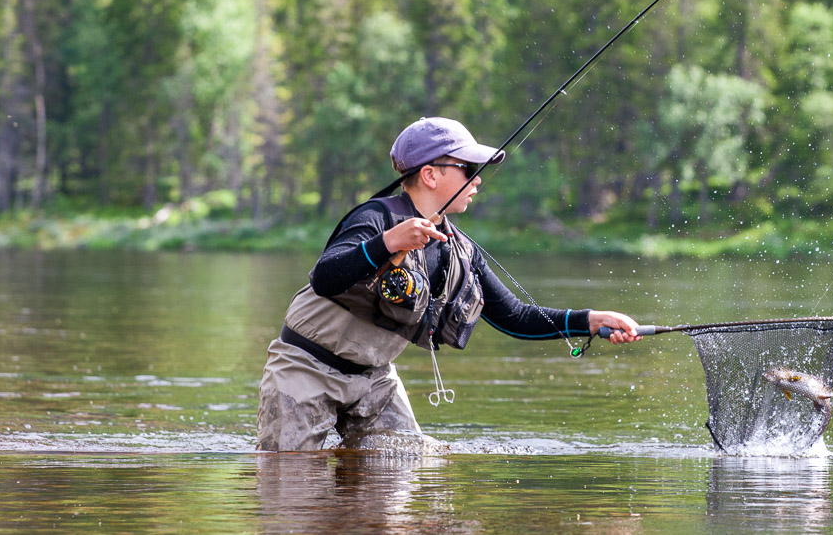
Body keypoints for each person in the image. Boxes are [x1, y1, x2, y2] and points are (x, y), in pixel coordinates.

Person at [256, 116, 640, 452]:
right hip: (306, 368)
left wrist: (591, 320)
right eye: (468, 168)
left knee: (401, 473)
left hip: (375, 381)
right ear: (430, 174)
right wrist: (390, 243)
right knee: (289, 486)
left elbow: (515, 317)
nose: (477, 179)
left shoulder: (461, 251)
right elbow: (325, 276)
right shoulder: (375, 218)